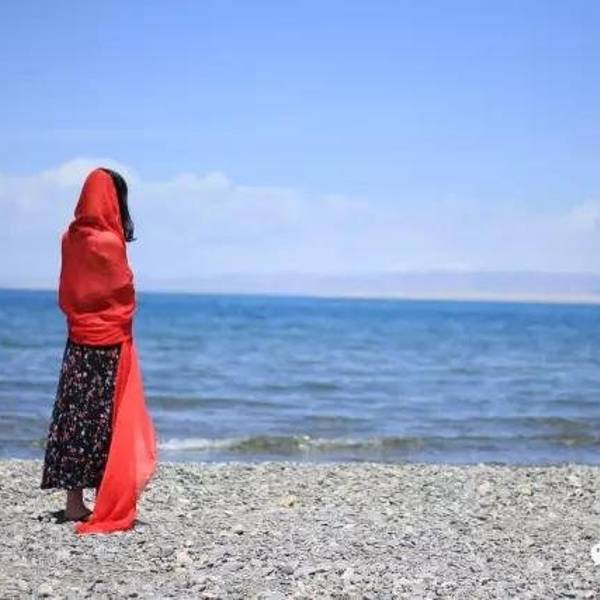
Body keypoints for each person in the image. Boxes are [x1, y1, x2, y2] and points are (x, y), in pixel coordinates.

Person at [41, 168, 156, 534]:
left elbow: (71, 286)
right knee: (108, 420)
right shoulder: (109, 241)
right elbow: (122, 288)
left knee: (74, 416)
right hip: (108, 345)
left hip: (77, 340)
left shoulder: (69, 237)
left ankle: (73, 502)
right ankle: (106, 496)